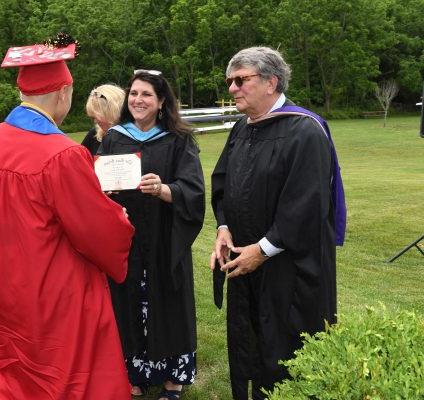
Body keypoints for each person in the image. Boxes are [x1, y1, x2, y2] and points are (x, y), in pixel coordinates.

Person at [0, 38, 135, 399]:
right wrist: (118, 215)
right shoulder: (62, 154)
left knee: (17, 367)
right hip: (53, 289)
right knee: (63, 374)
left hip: (4, 284)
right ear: (63, 92)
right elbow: (96, 232)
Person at [210, 46, 346, 399]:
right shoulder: (242, 128)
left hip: (290, 268)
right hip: (246, 262)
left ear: (271, 82)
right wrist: (222, 228)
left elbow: (306, 204)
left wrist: (264, 249)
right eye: (230, 81)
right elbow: (223, 183)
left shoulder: (305, 131)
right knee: (250, 343)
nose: (232, 88)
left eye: (241, 80)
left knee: (287, 350)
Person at [98, 70, 205, 400]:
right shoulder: (115, 137)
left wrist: (164, 189)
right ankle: (136, 373)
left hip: (164, 239)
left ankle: (174, 378)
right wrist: (108, 205)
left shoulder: (178, 139)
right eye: (133, 94)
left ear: (161, 102)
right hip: (128, 240)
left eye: (146, 94)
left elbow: (194, 191)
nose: (138, 100)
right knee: (128, 302)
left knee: (168, 302)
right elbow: (98, 186)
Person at [82, 84, 125, 154]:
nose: (95, 121)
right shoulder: (94, 135)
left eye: (98, 115)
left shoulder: (136, 136)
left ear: (113, 110)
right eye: (93, 117)